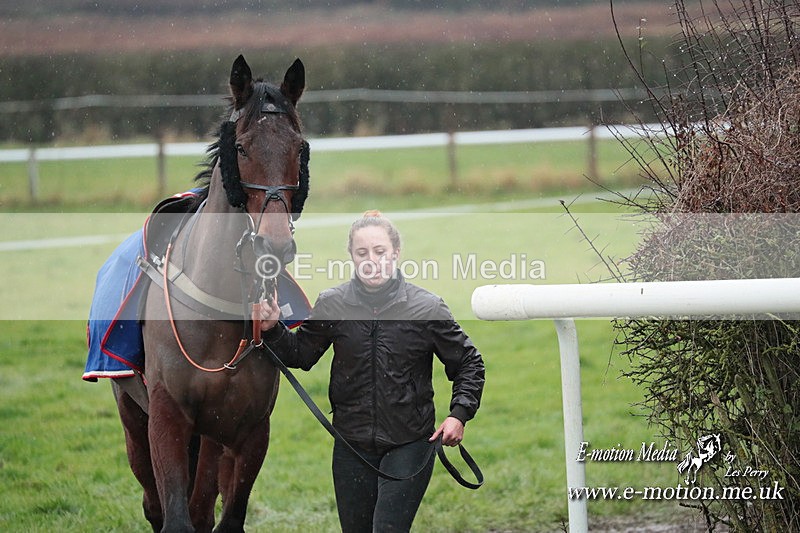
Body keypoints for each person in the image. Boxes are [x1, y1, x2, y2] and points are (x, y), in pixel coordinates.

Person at [258, 210, 485, 533]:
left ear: (395, 253)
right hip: (351, 445)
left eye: (380, 251)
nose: (371, 260)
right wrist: (272, 329)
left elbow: (468, 363)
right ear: (351, 255)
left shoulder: (427, 308)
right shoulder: (333, 303)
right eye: (362, 252)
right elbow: (301, 354)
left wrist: (458, 414)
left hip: (410, 443)